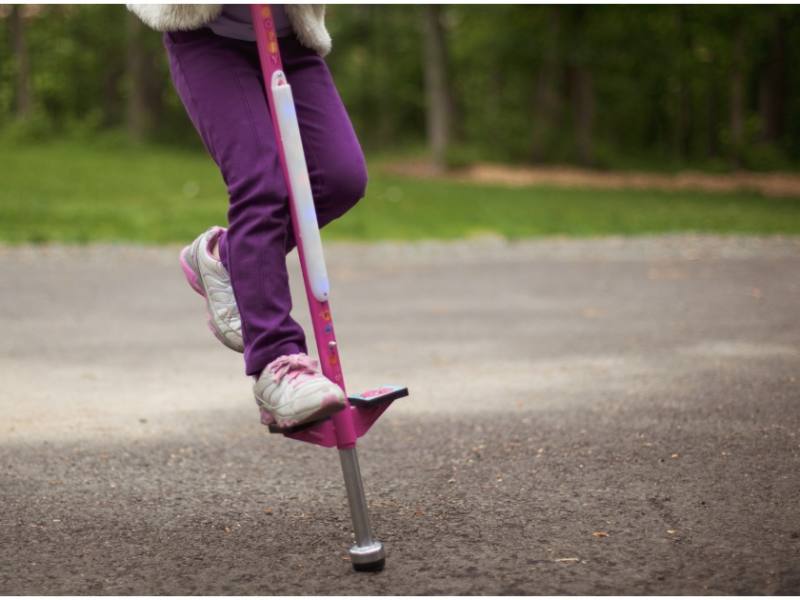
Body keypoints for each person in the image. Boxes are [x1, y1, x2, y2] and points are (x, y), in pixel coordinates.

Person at [127, 4, 366, 428]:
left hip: (290, 36)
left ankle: (226, 257)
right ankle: (277, 363)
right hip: (206, 35)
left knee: (340, 179)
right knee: (262, 182)